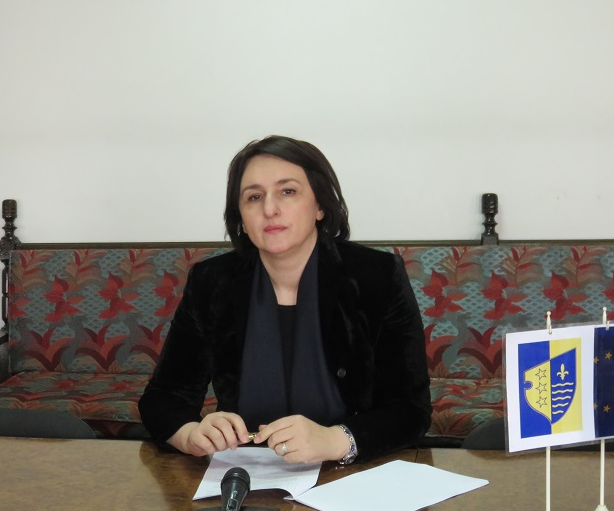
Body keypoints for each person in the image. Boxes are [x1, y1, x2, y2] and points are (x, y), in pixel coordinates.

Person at [138, 136, 431, 464]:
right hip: (245, 467)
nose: (269, 209)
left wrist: (336, 440)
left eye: (288, 191)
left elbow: (410, 410)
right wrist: (190, 434)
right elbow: (163, 397)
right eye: (254, 197)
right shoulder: (212, 281)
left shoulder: (376, 275)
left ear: (320, 206)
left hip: (350, 470)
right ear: (241, 218)